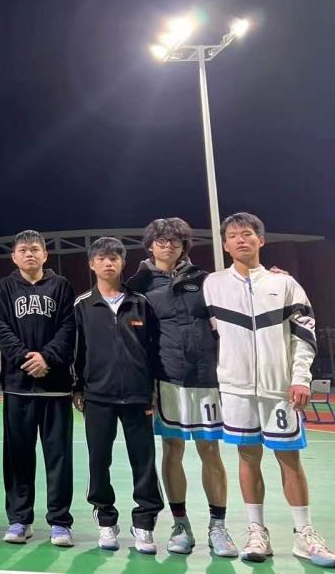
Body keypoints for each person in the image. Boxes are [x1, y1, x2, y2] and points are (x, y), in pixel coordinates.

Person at [203, 212, 335, 566]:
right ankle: (256, 531)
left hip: (280, 389)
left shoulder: (285, 284)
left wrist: (300, 377)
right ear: (225, 244)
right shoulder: (212, 285)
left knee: (289, 458)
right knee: (248, 457)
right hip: (236, 388)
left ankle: (304, 534)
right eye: (233, 236)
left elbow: (304, 334)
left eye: (247, 234)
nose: (240, 240)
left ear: (261, 240)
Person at [126, 218, 237, 557]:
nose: (168, 245)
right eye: (161, 240)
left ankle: (218, 527)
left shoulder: (205, 280)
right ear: (150, 245)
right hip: (166, 378)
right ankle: (180, 525)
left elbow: (235, 300)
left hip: (205, 378)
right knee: (172, 449)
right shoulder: (138, 284)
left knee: (210, 450)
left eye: (175, 240)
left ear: (184, 245)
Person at [73, 236, 164, 554]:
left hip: (138, 395)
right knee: (99, 460)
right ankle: (105, 520)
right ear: (92, 264)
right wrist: (77, 387)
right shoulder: (82, 305)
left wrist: (153, 387)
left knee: (144, 460)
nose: (108, 262)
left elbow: (154, 348)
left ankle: (145, 523)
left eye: (114, 257)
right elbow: (77, 351)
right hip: (98, 395)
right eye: (102, 258)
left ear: (123, 263)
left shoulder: (141, 303)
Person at [0, 230, 76, 546]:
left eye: (35, 249)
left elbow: (68, 327)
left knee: (59, 457)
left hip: (55, 386)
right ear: (14, 256)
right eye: (23, 250)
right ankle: (19, 520)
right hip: (18, 386)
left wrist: (47, 358)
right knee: (18, 457)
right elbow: (1, 327)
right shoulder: (5, 287)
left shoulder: (62, 286)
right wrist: (25, 359)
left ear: (45, 255)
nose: (29, 254)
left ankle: (60, 522)